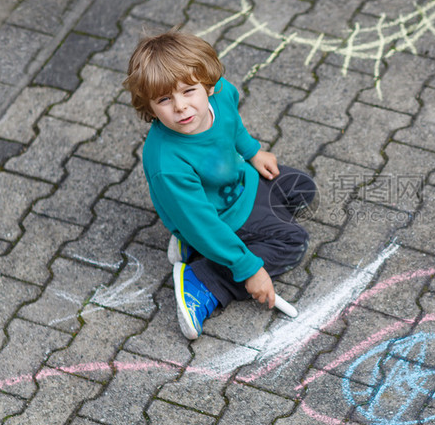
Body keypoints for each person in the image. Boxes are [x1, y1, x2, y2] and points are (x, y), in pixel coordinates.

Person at [123, 26, 316, 340]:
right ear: (150, 108)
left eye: (188, 91)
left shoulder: (222, 93)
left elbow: (231, 124)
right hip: (215, 218)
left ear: (209, 86)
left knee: (303, 188)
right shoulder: (166, 163)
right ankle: (205, 280)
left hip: (241, 183)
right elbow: (203, 222)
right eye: (164, 99)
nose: (181, 106)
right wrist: (249, 269)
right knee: (292, 241)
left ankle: (197, 248)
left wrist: (252, 152)